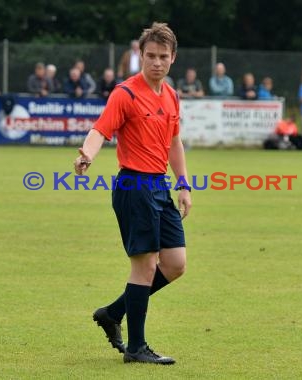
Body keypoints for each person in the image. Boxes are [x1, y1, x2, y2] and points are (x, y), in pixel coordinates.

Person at [75, 22, 190, 365]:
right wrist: (87, 153)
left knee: (175, 263)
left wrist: (183, 184)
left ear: (173, 58)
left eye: (163, 57)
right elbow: (100, 129)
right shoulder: (124, 93)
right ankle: (137, 348)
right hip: (134, 185)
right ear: (140, 55)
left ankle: (113, 312)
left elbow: (173, 141)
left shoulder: (171, 96)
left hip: (159, 186)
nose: (156, 62)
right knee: (144, 266)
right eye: (150, 55)